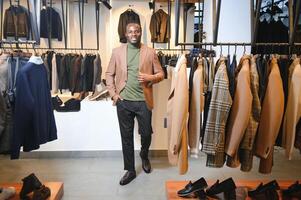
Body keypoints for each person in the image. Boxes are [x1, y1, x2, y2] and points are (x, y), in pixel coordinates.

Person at [106, 22, 164, 185]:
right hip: (123, 102)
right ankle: (130, 170)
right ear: (125, 34)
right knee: (126, 137)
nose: (133, 34)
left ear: (140, 33)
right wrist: (114, 95)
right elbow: (109, 74)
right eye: (130, 31)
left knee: (146, 133)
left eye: (136, 31)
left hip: (143, 101)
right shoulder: (117, 52)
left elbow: (161, 74)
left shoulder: (150, 52)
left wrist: (150, 77)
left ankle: (144, 155)